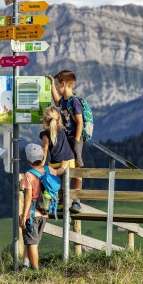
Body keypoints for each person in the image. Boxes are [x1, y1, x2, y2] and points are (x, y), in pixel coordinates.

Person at [19, 143, 68, 271]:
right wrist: (64, 165)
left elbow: (28, 197)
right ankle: (25, 264)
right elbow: (60, 171)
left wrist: (24, 216)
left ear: (27, 160)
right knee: (31, 240)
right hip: (45, 212)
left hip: (32, 214)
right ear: (42, 158)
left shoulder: (29, 175)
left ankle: (36, 271)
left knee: (32, 243)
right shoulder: (50, 170)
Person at [49, 70, 85, 214]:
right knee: (66, 167)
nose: (57, 88)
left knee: (77, 168)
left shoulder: (74, 101)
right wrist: (52, 85)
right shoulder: (64, 100)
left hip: (75, 140)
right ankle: (63, 199)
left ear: (64, 84)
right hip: (66, 140)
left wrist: (76, 141)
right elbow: (57, 101)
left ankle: (76, 201)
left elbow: (80, 123)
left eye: (58, 85)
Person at [40, 105, 75, 213]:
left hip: (56, 164)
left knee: (47, 181)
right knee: (65, 186)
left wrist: (41, 165)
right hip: (70, 162)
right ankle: (62, 205)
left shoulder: (45, 134)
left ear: (45, 121)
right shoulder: (62, 130)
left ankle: (46, 205)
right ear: (59, 119)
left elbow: (45, 149)